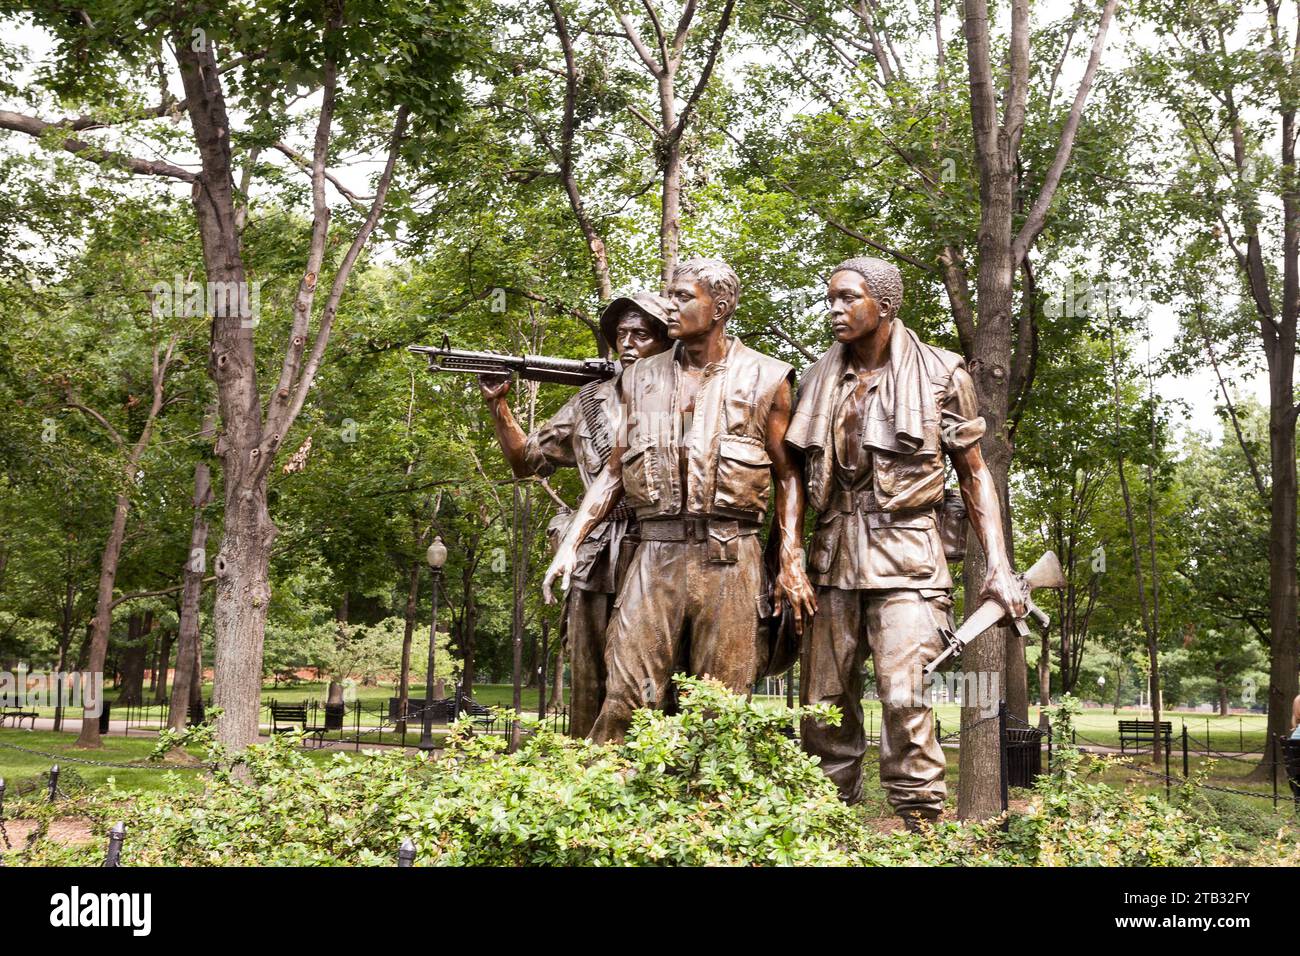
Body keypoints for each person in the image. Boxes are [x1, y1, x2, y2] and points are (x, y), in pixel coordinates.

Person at [784, 256, 1024, 830]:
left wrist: (999, 564)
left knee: (905, 700)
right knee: (822, 709)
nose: (834, 310)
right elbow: (791, 472)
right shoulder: (818, 377)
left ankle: (919, 834)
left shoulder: (944, 373)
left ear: (885, 306)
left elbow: (973, 474)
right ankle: (826, 833)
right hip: (832, 554)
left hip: (909, 559)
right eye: (830, 299)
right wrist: (788, 555)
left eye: (848, 299)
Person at [543, 257, 817, 744]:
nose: (669, 305)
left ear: (721, 308)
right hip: (655, 554)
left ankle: (711, 811)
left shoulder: (768, 377)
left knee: (720, 706)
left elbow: (788, 476)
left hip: (731, 556)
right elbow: (611, 476)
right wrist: (572, 543)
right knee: (626, 695)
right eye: (669, 295)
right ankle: (611, 809)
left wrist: (791, 556)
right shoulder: (639, 378)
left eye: (682, 297)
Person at [480, 292, 671, 737]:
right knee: (587, 668)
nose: (628, 343)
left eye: (641, 334)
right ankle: (587, 768)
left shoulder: (684, 397)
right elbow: (525, 460)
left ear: (664, 342)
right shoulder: (589, 402)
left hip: (658, 545)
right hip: (596, 550)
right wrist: (498, 405)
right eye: (620, 334)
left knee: (650, 666)